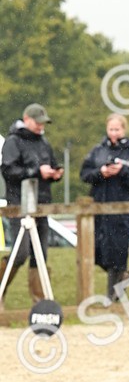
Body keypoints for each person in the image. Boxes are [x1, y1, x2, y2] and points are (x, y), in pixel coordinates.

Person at [0, 103, 63, 308]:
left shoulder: (44, 142)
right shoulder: (13, 142)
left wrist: (54, 173)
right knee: (21, 253)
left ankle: (41, 303)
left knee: (40, 255)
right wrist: (36, 171)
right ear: (26, 119)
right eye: (37, 122)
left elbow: (50, 163)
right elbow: (9, 171)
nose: (40, 126)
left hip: (41, 203)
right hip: (19, 203)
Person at [80, 114, 129, 299]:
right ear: (107, 129)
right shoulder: (97, 151)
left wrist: (123, 172)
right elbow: (84, 174)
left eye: (117, 129)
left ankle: (112, 295)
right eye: (111, 129)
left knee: (118, 253)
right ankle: (122, 279)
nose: (114, 133)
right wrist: (101, 172)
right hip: (99, 209)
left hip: (121, 211)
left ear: (124, 130)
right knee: (98, 251)